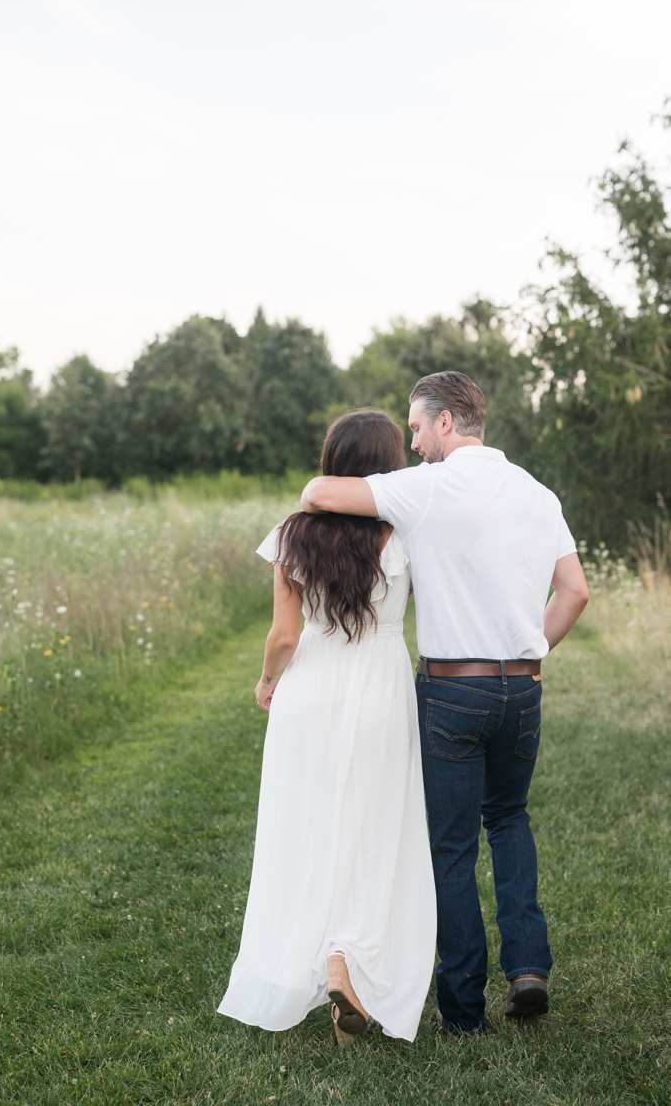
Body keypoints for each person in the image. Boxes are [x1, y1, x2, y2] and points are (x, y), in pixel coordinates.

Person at [301, 371, 590, 1034]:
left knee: (452, 846)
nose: (411, 440)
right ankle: (527, 969)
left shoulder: (428, 488)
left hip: (452, 689)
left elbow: (319, 491)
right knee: (511, 820)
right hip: (522, 684)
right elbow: (574, 592)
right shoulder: (537, 494)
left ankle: (464, 1011)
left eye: (416, 426)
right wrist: (526, 651)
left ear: (445, 424)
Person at [218, 409, 437, 1044]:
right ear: (391, 463)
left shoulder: (292, 533)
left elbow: (286, 634)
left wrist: (266, 682)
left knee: (306, 825)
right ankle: (351, 962)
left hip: (310, 688)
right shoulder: (404, 534)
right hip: (380, 687)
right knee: (374, 827)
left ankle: (318, 962)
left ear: (331, 458)